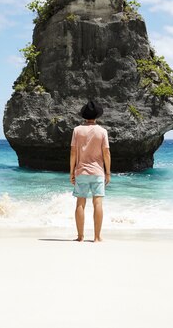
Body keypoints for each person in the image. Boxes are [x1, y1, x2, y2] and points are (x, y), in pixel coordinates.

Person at [69, 100, 111, 242]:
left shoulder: (77, 130)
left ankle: (80, 237)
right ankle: (97, 237)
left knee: (80, 203)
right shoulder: (102, 131)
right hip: (98, 172)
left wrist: (71, 171)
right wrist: (108, 172)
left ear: (84, 116)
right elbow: (106, 153)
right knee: (97, 203)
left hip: (81, 171)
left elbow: (73, 153)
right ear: (97, 116)